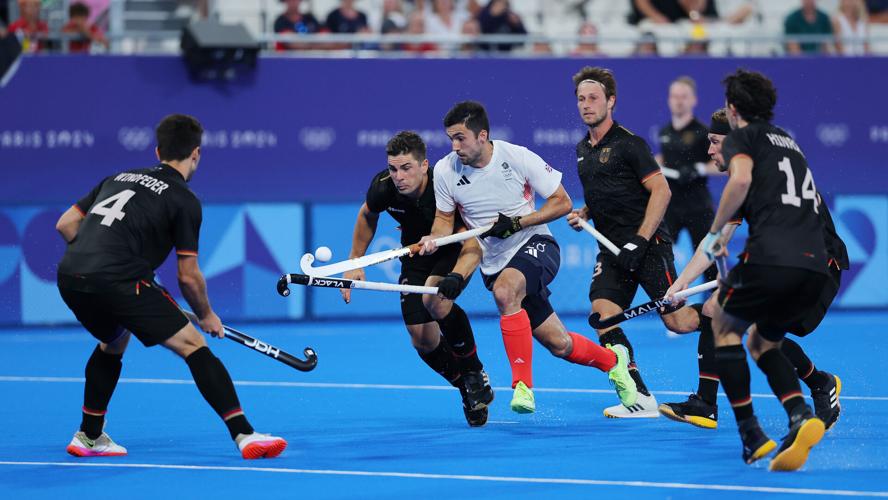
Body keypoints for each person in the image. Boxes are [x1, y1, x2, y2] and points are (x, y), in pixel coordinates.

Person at [55, 114, 286, 459]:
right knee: (194, 345)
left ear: (158, 149)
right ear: (196, 154)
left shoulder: (116, 178)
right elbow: (188, 276)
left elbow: (66, 224)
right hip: (122, 279)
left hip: (71, 275)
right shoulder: (183, 198)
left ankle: (89, 436)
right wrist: (207, 315)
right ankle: (245, 435)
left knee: (114, 339)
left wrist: (98, 266)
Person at [420, 101, 637, 415]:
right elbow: (443, 220)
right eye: (450, 138)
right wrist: (434, 239)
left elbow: (561, 202)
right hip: (494, 262)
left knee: (506, 291)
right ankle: (614, 362)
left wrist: (518, 222)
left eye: (460, 138)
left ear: (482, 135)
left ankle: (522, 387)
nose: (454, 146)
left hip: (536, 244)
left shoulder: (517, 157)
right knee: (558, 343)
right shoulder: (445, 170)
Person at [659, 108, 845, 434]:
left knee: (738, 321)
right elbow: (718, 239)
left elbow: (717, 237)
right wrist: (681, 284)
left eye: (716, 142)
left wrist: (685, 281)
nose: (709, 150)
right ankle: (714, 403)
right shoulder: (763, 164)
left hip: (813, 266)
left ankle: (796, 400)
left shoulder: (749, 175)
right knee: (727, 315)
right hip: (791, 262)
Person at [700, 69, 830, 471]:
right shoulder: (789, 142)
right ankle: (799, 414)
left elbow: (739, 182)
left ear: (733, 110)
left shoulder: (744, 136)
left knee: (721, 323)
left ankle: (751, 434)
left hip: (771, 258)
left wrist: (717, 231)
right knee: (762, 343)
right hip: (814, 269)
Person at [566, 66, 702, 418]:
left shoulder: (630, 143)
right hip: (611, 252)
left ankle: (727, 316)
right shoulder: (583, 149)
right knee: (603, 316)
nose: (586, 104)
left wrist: (640, 241)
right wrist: (585, 213)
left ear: (611, 101)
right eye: (581, 99)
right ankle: (640, 397)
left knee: (679, 322)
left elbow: (662, 190)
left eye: (593, 98)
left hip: (648, 246)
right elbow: (606, 195)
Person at [341, 131, 493, 426]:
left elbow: (471, 241)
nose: (399, 176)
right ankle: (465, 386)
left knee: (434, 298)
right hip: (415, 254)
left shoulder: (446, 185)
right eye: (393, 169)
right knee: (421, 339)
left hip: (453, 249)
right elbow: (367, 214)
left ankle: (474, 371)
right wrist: (355, 261)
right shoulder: (384, 188)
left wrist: (458, 275)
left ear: (424, 165)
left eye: (406, 168)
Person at [656, 76, 719, 284]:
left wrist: (698, 168)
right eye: (675, 96)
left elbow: (722, 166)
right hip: (671, 206)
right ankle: (671, 301)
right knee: (659, 255)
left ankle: (714, 309)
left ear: (693, 100)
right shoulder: (664, 132)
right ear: (669, 100)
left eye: (684, 96)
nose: (679, 101)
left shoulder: (703, 132)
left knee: (708, 261)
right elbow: (664, 159)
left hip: (698, 206)